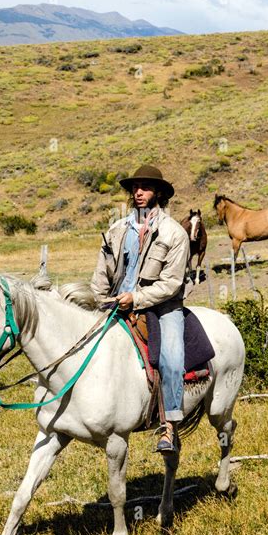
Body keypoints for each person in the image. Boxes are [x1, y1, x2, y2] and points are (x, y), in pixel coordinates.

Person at [91, 165, 190, 452]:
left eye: (145, 187)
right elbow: (102, 272)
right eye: (135, 188)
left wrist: (136, 298)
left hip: (163, 307)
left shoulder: (173, 233)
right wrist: (100, 299)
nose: (138, 193)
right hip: (117, 302)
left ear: (158, 193)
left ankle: (169, 425)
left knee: (171, 357)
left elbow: (172, 283)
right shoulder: (117, 229)